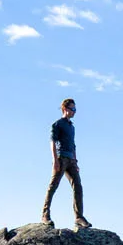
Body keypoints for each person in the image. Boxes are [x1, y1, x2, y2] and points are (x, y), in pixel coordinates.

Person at [43, 97, 89, 230]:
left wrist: (75, 161)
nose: (74, 112)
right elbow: (52, 141)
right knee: (53, 186)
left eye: (75, 109)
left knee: (78, 187)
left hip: (71, 161)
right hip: (61, 158)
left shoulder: (71, 127)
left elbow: (73, 145)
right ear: (64, 109)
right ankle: (45, 214)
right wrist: (55, 160)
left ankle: (79, 217)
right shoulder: (58, 124)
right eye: (72, 109)